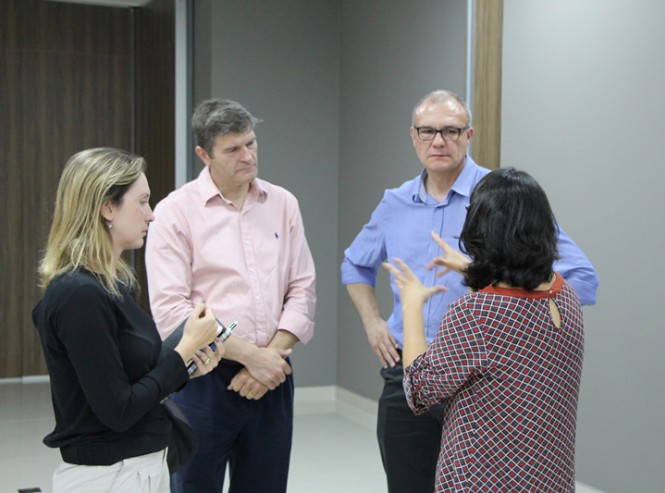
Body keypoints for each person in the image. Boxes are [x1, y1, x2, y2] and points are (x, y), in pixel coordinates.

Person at [341, 90, 599, 493]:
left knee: (474, 479)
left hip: (486, 384)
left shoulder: (500, 200)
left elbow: (580, 276)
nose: (438, 142)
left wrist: (498, 304)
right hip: (408, 372)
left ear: (469, 135)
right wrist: (374, 323)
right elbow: (354, 264)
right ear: (413, 136)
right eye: (427, 132)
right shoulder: (394, 204)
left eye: (450, 131)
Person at [145, 98, 317, 493]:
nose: (248, 156)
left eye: (251, 143)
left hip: (275, 373)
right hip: (201, 378)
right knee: (194, 485)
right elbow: (172, 311)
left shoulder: (283, 204)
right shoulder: (175, 213)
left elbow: (303, 287)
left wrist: (269, 357)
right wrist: (251, 357)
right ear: (204, 154)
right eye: (233, 149)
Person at [33, 147, 223, 493]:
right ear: (108, 207)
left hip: (139, 469)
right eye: (143, 202)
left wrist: (188, 360)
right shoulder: (79, 294)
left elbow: (136, 375)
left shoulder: (113, 284)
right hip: (108, 477)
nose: (151, 215)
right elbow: (118, 410)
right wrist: (183, 354)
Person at [385, 167, 585, 492]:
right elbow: (518, 294)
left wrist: (412, 304)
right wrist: (471, 269)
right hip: (549, 480)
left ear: (481, 228)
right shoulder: (565, 296)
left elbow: (418, 390)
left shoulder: (477, 313)